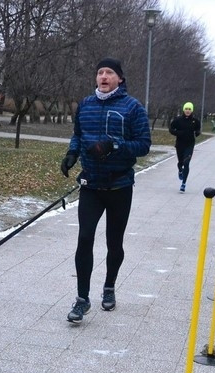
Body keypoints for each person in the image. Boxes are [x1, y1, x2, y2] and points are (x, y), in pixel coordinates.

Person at [60, 58, 151, 323]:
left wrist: (114, 146)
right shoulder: (86, 105)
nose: (103, 76)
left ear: (119, 78)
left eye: (109, 72)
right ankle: (82, 299)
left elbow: (144, 144)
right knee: (85, 238)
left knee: (114, 241)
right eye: (99, 72)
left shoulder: (132, 107)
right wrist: (71, 154)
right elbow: (78, 134)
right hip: (91, 185)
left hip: (120, 185)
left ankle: (109, 286)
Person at [169, 102, 201, 193]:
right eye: (186, 109)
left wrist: (197, 133)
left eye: (189, 109)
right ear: (184, 109)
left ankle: (183, 183)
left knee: (186, 163)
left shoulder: (195, 121)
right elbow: (171, 129)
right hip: (180, 144)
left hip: (190, 144)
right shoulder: (178, 120)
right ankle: (180, 169)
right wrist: (178, 133)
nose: (188, 111)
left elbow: (198, 129)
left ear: (192, 110)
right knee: (181, 162)